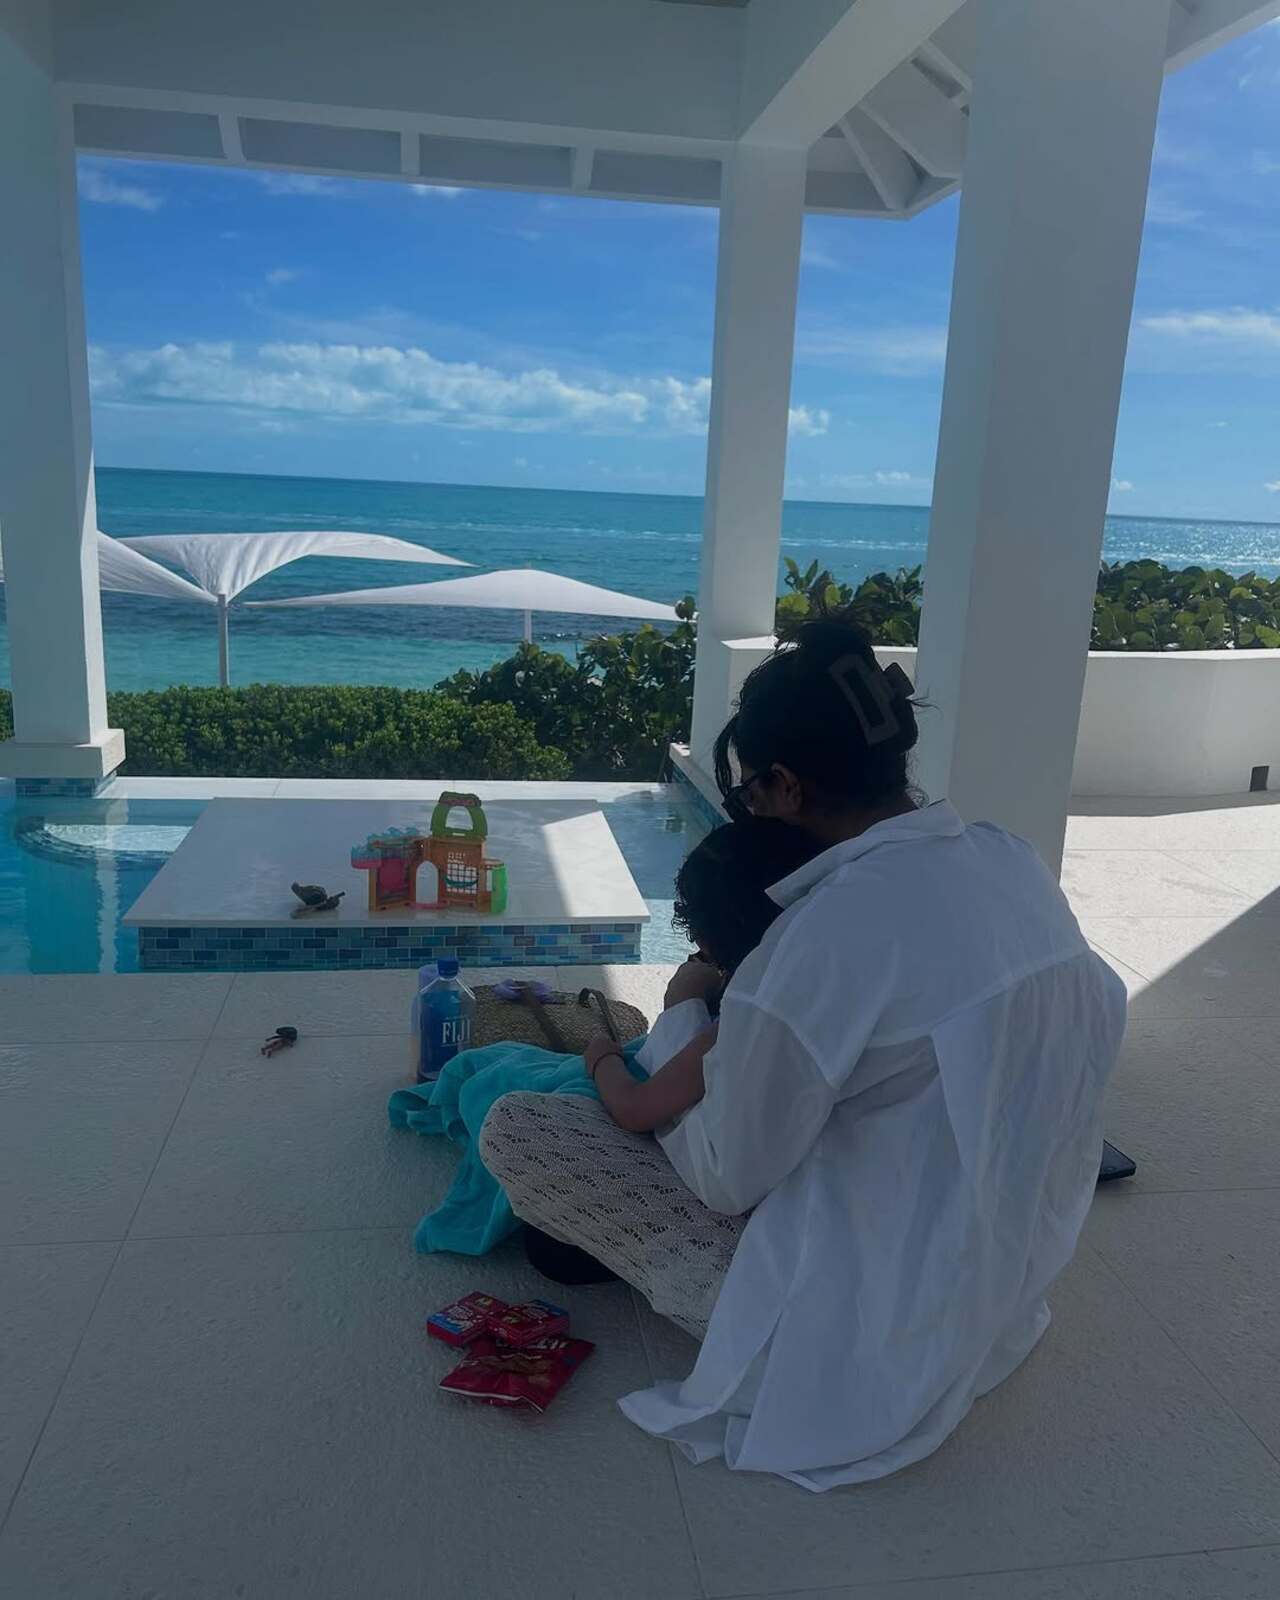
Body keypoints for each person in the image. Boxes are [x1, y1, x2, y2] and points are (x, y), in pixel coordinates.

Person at [480, 618, 1128, 1491]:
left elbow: (725, 1179)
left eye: (748, 789)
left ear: (785, 787)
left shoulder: (823, 941)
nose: (747, 804)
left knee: (520, 1128)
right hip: (996, 1280)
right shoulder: (1010, 862)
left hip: (854, 1325)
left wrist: (682, 1033)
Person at [388, 818, 819, 1256]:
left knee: (514, 1118)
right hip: (738, 1173)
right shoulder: (810, 990)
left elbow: (636, 1108)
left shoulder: (751, 1020)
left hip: (702, 1183)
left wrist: (604, 1054)